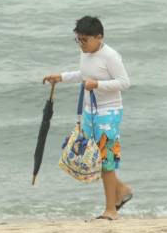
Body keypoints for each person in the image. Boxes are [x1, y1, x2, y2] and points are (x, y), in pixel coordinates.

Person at [43, 16, 132, 220]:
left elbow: (124, 82)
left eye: (84, 40)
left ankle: (111, 211)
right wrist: (61, 77)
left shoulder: (110, 56)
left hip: (108, 113)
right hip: (89, 112)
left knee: (106, 160)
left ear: (98, 37)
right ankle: (122, 190)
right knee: (96, 158)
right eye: (78, 40)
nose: (81, 44)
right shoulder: (85, 53)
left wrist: (99, 85)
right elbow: (84, 75)